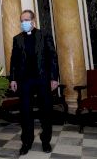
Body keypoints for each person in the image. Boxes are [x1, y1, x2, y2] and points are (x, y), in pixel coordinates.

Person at [10, 10, 59, 155]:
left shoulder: (44, 35)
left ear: (33, 21)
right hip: (25, 80)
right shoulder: (17, 38)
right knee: (25, 112)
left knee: (46, 111)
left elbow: (53, 57)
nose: (23, 23)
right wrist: (13, 78)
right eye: (21, 20)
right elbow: (14, 60)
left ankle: (45, 140)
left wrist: (54, 78)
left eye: (26, 20)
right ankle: (26, 141)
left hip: (42, 79)